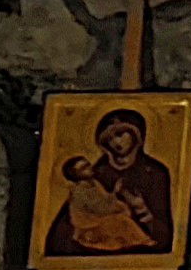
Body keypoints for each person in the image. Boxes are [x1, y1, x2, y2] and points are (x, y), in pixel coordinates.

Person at [50, 104, 178, 259]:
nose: (116, 142)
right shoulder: (96, 173)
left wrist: (144, 212)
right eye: (109, 139)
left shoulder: (154, 172)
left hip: (140, 253)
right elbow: (67, 224)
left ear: (136, 135)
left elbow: (165, 234)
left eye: (120, 134)